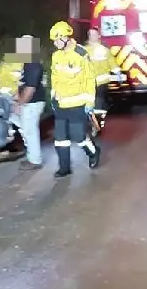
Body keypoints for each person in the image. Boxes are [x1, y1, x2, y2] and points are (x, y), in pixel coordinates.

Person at [49, 21, 101, 178]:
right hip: (61, 104)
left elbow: (89, 79)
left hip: (78, 104)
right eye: (54, 41)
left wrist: (90, 102)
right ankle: (64, 168)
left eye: (58, 40)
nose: (56, 43)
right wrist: (53, 97)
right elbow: (55, 77)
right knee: (60, 138)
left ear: (66, 37)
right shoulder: (56, 55)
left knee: (78, 136)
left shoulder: (81, 53)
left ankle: (93, 152)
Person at [12, 35, 46, 170]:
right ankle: (33, 157)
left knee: (30, 131)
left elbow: (30, 88)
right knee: (28, 130)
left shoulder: (32, 63)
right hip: (31, 102)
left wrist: (20, 103)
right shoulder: (29, 61)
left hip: (32, 103)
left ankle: (35, 161)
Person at [85, 28, 120, 134]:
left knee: (98, 104)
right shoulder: (84, 50)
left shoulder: (104, 50)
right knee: (90, 103)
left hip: (101, 82)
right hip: (88, 82)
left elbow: (112, 63)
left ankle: (97, 124)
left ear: (99, 36)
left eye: (95, 34)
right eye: (90, 34)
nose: (93, 36)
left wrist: (118, 73)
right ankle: (94, 123)